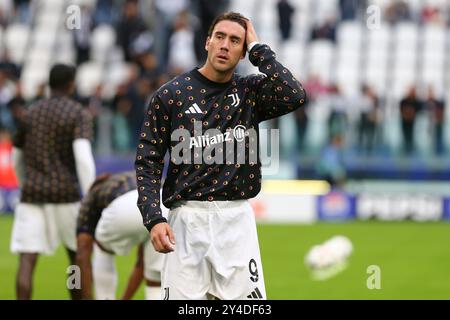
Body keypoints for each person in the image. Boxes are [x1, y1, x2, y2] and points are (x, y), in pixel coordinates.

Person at [135, 12, 307, 300]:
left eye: (235, 41)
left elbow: (294, 94)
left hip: (236, 223)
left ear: (242, 52)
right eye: (220, 37)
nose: (225, 45)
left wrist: (258, 50)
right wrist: (153, 218)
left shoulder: (250, 91)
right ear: (207, 42)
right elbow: (148, 160)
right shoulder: (171, 95)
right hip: (187, 222)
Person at [10, 64, 96, 300]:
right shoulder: (78, 113)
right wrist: (89, 195)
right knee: (75, 260)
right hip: (66, 195)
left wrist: (24, 183)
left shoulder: (30, 112)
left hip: (32, 194)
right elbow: (83, 158)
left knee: (27, 260)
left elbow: (16, 156)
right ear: (71, 84)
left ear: (49, 83)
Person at [76, 172, 164, 300]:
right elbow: (141, 263)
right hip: (161, 204)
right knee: (154, 279)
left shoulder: (92, 194)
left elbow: (82, 252)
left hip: (123, 204)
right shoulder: (128, 177)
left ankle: (104, 297)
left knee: (102, 247)